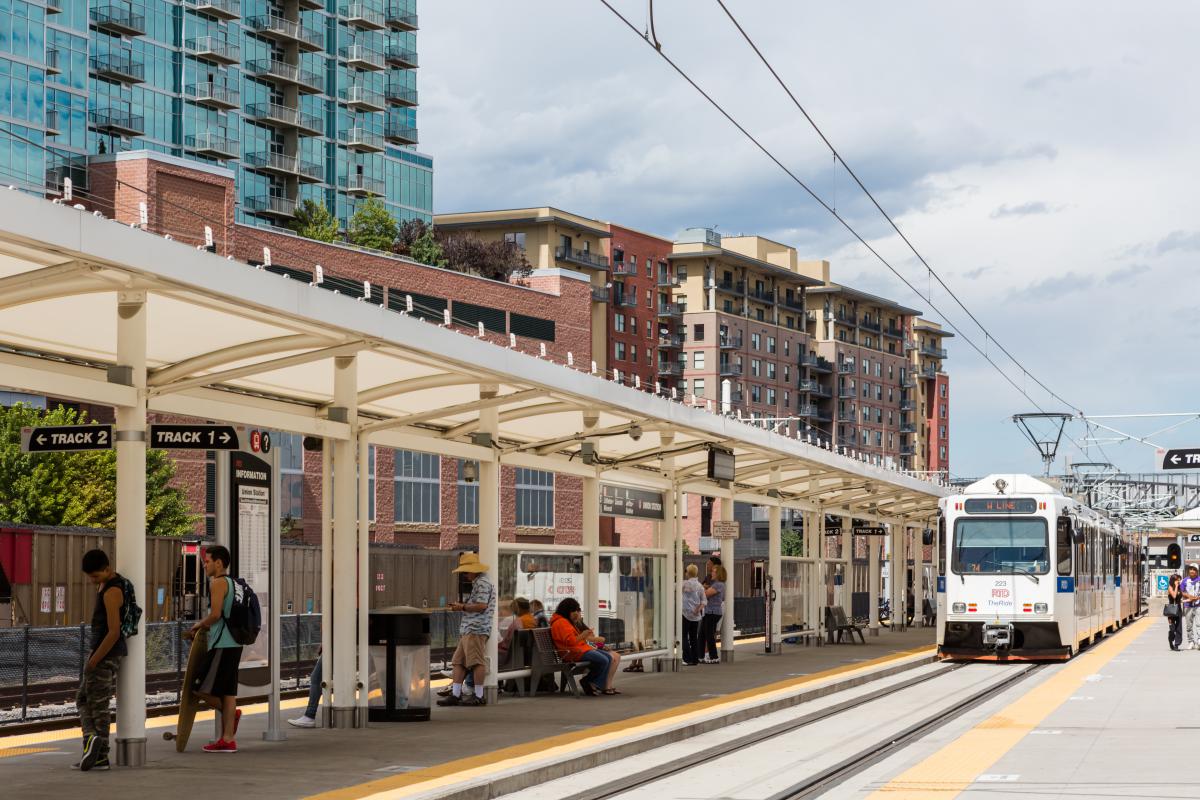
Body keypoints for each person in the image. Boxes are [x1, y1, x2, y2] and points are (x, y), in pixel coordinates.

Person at [73, 549, 127, 772]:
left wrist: (94, 659)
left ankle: (97, 749)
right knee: (85, 699)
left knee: (97, 705)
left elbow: (114, 631)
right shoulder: (113, 584)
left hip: (105, 654)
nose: (92, 581)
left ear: (107, 569)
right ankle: (93, 745)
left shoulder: (111, 592)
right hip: (108, 653)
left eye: (95, 576)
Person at [186, 545, 243, 753]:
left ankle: (231, 717)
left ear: (218, 563)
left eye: (207, 561)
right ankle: (228, 739)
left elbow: (216, 614)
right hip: (234, 644)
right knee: (228, 692)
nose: (204, 564)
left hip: (222, 643)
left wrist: (199, 624)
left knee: (198, 688)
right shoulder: (232, 582)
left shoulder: (218, 583)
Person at [437, 552, 495, 707]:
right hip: (469, 629)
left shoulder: (482, 583)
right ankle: (455, 694)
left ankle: (479, 696)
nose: (465, 574)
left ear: (474, 570)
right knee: (459, 662)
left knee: (476, 662)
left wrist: (462, 606)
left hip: (476, 628)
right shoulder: (479, 583)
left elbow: (482, 606)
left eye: (466, 571)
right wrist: (462, 606)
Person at [550, 598, 619, 695]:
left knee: (608, 657)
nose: (576, 613)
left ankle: (590, 682)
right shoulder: (561, 623)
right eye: (574, 610)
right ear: (567, 610)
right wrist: (583, 635)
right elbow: (570, 641)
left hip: (580, 649)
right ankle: (589, 681)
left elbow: (578, 639)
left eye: (577, 610)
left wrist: (587, 637)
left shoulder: (568, 621)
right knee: (604, 660)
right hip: (572, 652)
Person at [288, 650, 322, 728]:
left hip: (334, 647)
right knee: (316, 678)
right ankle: (309, 715)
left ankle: (310, 716)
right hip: (334, 646)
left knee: (316, 678)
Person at [701, 563, 727, 664]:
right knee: (703, 634)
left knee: (709, 635)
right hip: (709, 612)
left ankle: (714, 656)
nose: (711, 572)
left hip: (713, 612)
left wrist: (702, 588)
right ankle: (702, 655)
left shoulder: (718, 584)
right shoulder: (714, 584)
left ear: (718, 573)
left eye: (714, 571)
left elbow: (705, 594)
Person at [681, 564, 706, 666]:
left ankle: (687, 658)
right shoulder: (700, 586)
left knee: (683, 636)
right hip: (696, 616)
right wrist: (697, 610)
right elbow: (704, 601)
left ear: (688, 573)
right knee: (693, 637)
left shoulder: (684, 584)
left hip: (685, 614)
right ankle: (695, 659)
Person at [1182, 564, 1200, 650]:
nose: (1192, 571)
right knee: (1189, 625)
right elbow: (1182, 591)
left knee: (1199, 624)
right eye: (1190, 569)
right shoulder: (1185, 580)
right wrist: (1189, 596)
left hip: (1198, 605)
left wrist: (1196, 598)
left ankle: (1199, 641)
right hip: (1188, 606)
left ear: (1197, 571)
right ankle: (1191, 642)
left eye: (1194, 569)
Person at [1167, 574, 1184, 651]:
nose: (1179, 581)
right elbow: (1174, 596)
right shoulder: (1170, 588)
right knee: (1172, 629)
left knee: (1179, 627)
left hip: (1179, 609)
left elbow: (1179, 598)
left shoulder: (1180, 588)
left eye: (1179, 580)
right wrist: (1176, 586)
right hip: (1171, 610)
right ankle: (1171, 640)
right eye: (1178, 580)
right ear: (1173, 580)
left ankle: (1177, 644)